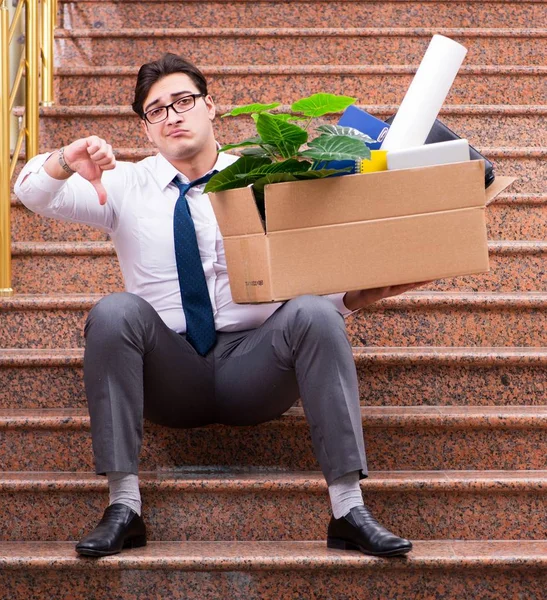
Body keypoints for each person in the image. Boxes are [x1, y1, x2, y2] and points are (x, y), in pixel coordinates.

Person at [15, 53, 421, 558]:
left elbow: (310, 269)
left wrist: (359, 295)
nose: (172, 115)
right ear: (147, 129)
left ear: (211, 106)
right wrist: (63, 159)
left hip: (256, 366)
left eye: (183, 101)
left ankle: (348, 509)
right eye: (156, 110)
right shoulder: (123, 184)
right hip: (170, 374)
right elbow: (30, 192)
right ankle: (124, 506)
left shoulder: (264, 177)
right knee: (115, 310)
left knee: (315, 312)